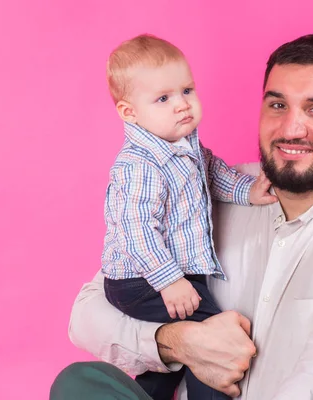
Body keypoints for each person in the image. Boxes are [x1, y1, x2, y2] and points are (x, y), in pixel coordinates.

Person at [51, 33, 313, 400]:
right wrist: (178, 340)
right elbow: (88, 313)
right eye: (277, 105)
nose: (292, 128)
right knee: (81, 383)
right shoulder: (204, 193)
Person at [100, 34, 277, 400]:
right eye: (163, 98)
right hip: (142, 278)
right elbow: (136, 231)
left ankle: (146, 394)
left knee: (176, 352)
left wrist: (247, 191)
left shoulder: (184, 143)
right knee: (212, 335)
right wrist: (169, 280)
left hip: (172, 274)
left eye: (187, 90)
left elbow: (210, 173)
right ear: (129, 112)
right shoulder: (140, 165)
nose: (182, 105)